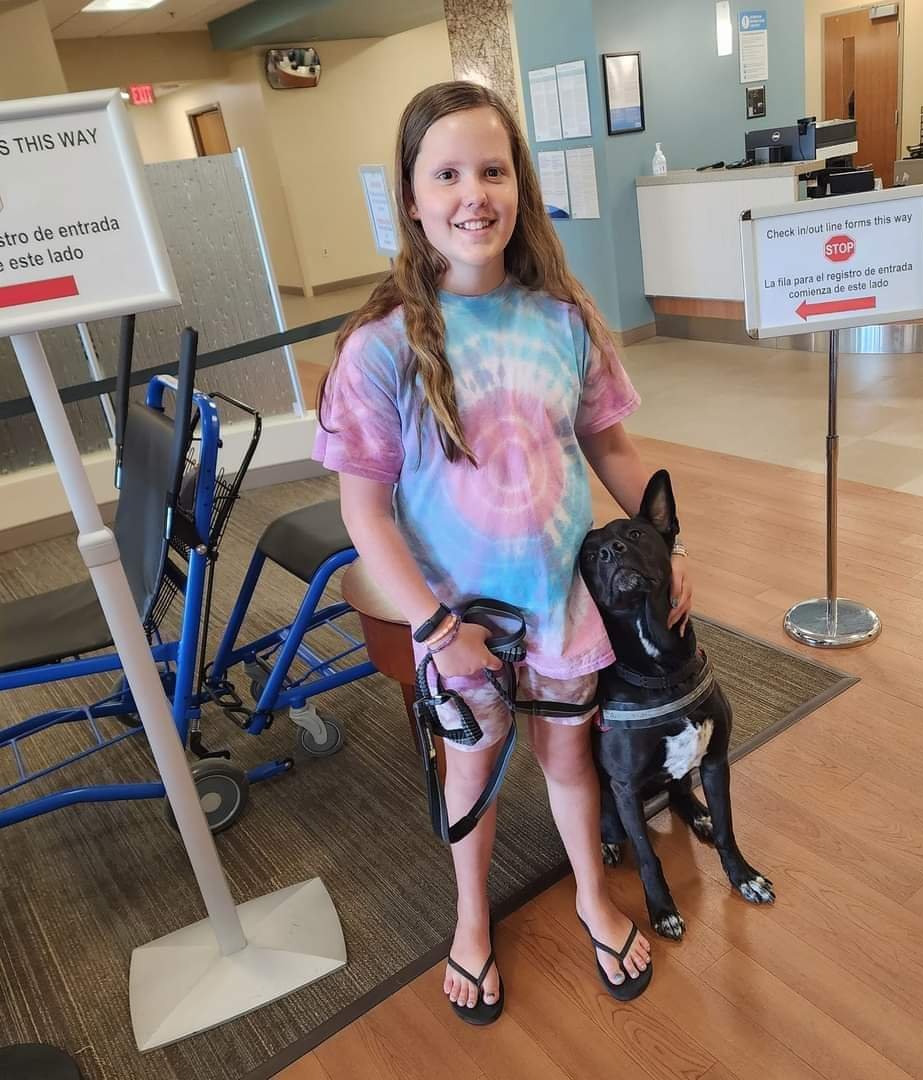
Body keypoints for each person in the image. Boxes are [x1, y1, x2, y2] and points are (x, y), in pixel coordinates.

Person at [313, 81, 694, 1024]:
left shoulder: (563, 317)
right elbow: (365, 514)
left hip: (559, 602)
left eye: (492, 170)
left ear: (520, 184)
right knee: (472, 772)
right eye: (446, 175)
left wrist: (665, 548)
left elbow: (609, 443)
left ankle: (591, 896)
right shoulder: (380, 349)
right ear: (411, 199)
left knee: (570, 761)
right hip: (457, 624)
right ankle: (472, 920)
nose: (473, 194)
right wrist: (437, 630)